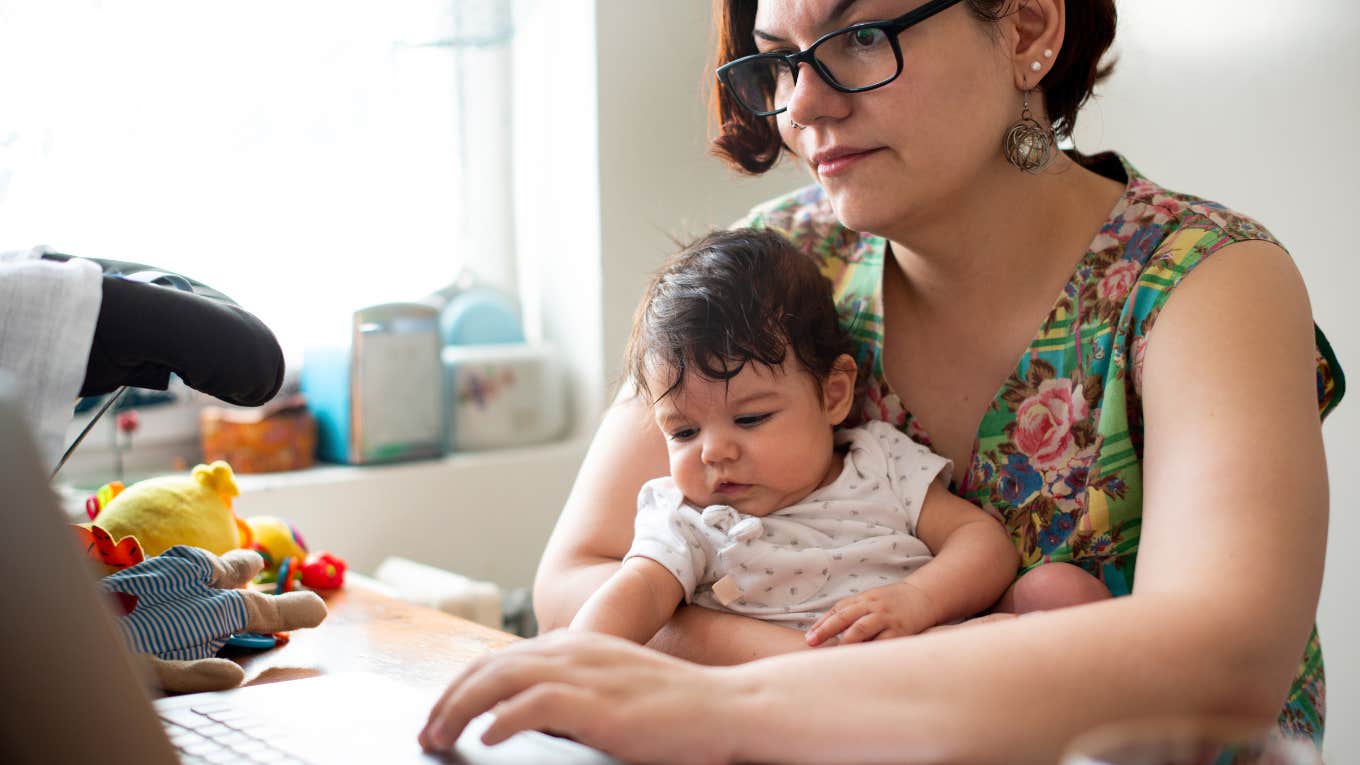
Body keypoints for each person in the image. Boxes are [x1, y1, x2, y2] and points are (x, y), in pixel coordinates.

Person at [421, 0, 1343, 762]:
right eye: (779, 62)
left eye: (860, 37)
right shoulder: (781, 267)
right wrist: (806, 673)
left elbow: (1226, 655)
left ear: (1025, 30)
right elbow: (572, 580)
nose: (802, 108)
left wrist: (738, 697)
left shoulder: (1208, 278)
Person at [572, 227, 1106, 648]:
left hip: (936, 649)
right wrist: (571, 658)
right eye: (683, 431)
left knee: (1056, 590)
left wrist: (917, 599)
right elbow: (635, 593)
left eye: (751, 418)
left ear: (832, 395)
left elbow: (981, 541)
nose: (713, 451)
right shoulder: (688, 520)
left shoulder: (878, 461)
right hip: (799, 697)